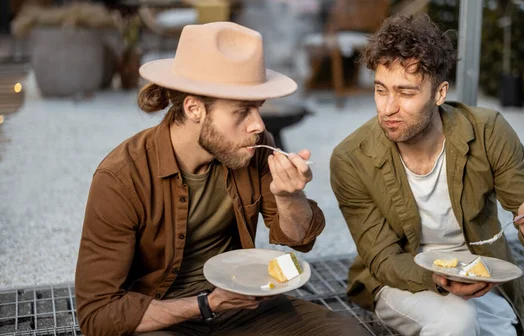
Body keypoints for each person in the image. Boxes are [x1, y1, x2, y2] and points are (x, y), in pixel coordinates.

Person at [75, 22, 369, 336]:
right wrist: (206, 304)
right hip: (163, 318)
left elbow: (299, 239)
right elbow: (97, 314)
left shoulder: (252, 149)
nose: (257, 125)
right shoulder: (121, 178)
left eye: (258, 107)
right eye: (241, 111)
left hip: (245, 309)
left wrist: (289, 196)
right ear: (194, 109)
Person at [330, 13, 524, 336]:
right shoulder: (351, 158)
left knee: (501, 330)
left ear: (440, 93)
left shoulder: (488, 132)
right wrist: (440, 279)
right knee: (457, 321)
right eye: (381, 90)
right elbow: (383, 260)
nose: (387, 108)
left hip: (477, 274)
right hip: (399, 280)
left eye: (406, 93)